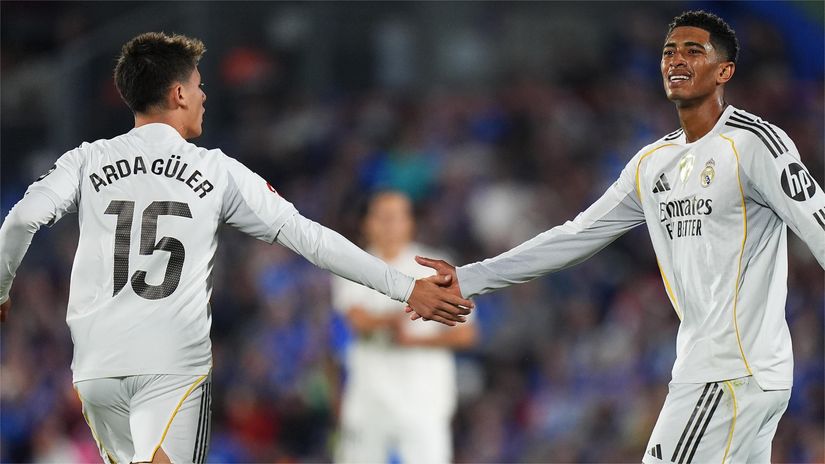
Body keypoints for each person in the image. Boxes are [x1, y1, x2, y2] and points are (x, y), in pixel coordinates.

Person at [0, 32, 472, 464]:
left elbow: (21, 218)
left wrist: (2, 290)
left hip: (96, 367)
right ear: (178, 93)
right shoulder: (214, 171)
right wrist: (404, 287)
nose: (205, 95)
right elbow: (307, 236)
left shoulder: (86, 159)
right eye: (199, 84)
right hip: (170, 365)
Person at [409, 10, 824, 463]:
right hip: (719, 369)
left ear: (724, 71)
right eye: (669, 52)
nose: (677, 61)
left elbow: (818, 225)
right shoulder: (652, 163)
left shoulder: (755, 143)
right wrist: (470, 278)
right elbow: (574, 236)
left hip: (730, 371)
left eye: (693, 51)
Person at [332, 191, 477, 464]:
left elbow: (466, 333)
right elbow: (357, 321)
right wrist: (411, 311)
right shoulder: (352, 263)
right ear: (367, 223)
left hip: (423, 398)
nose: (387, 224)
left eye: (395, 217)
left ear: (409, 222)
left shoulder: (434, 266)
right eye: (380, 217)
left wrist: (414, 340)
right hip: (369, 399)